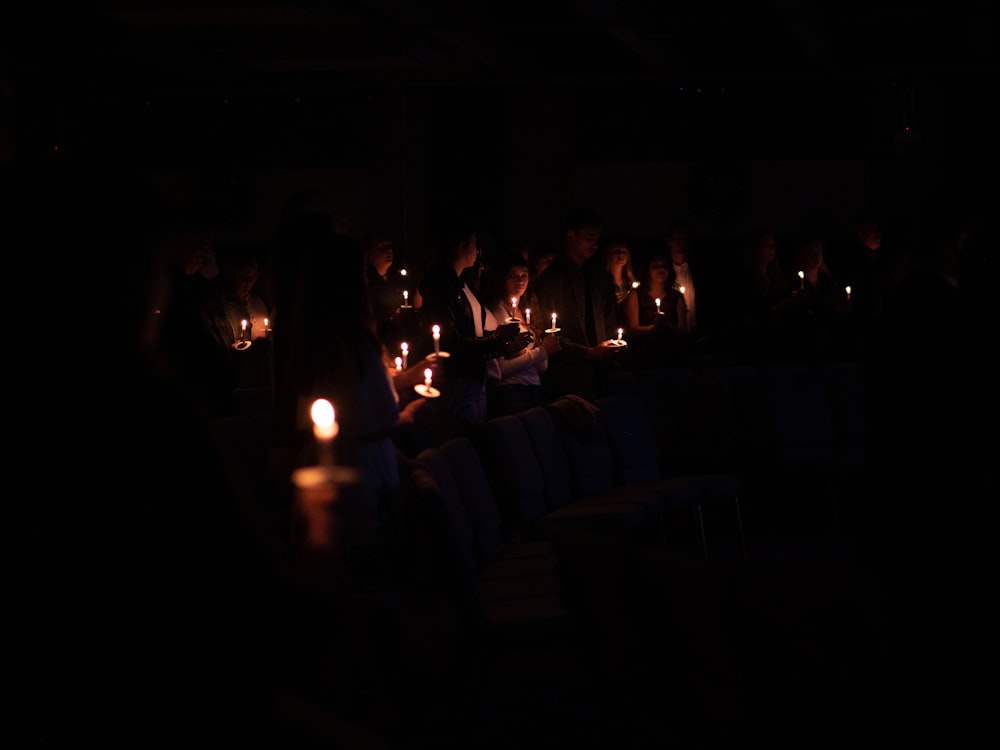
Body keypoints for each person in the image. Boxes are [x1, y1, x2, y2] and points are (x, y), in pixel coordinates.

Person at [417, 220, 529, 437]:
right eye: (474, 242)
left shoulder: (460, 284)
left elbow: (471, 334)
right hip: (457, 384)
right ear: (460, 245)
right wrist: (498, 338)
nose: (478, 250)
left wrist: (503, 345)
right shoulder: (443, 286)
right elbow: (452, 343)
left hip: (472, 382)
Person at [532, 207, 622, 402]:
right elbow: (549, 332)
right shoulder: (552, 279)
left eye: (597, 239)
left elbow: (609, 317)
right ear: (571, 236)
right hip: (567, 377)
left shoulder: (599, 276)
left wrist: (611, 345)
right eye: (589, 238)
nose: (595, 245)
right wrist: (588, 353)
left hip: (599, 374)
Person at [481, 252, 561, 417]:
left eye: (524, 275)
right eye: (513, 276)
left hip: (534, 389)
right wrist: (541, 352)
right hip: (511, 393)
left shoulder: (525, 313)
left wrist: (541, 351)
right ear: (501, 278)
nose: (520, 281)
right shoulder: (495, 312)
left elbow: (541, 367)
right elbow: (501, 369)